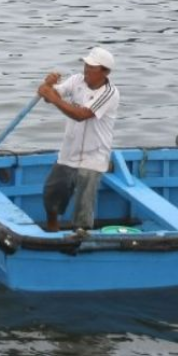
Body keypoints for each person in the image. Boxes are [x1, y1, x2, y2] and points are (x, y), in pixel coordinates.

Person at [38, 47, 120, 233]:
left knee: (84, 200)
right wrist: (47, 85)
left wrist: (53, 98)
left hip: (94, 155)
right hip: (69, 151)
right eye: (86, 65)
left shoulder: (109, 93)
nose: (86, 70)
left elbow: (81, 115)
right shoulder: (76, 80)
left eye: (92, 67)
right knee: (52, 191)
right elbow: (48, 95)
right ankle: (52, 229)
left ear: (105, 72)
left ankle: (81, 234)